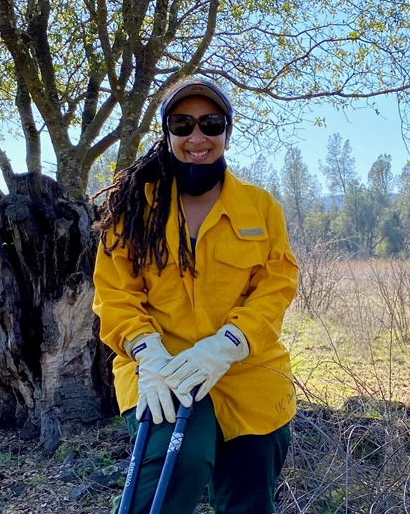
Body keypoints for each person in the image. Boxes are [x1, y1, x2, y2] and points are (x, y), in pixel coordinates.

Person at [92, 77, 298, 514]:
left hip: (248, 373)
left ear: (227, 131)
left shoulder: (261, 207)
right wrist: (148, 354)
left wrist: (229, 344)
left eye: (211, 123)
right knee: (173, 472)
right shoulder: (133, 209)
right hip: (163, 373)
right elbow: (114, 294)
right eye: (182, 125)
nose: (197, 137)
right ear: (167, 134)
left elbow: (276, 286)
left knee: (250, 497)